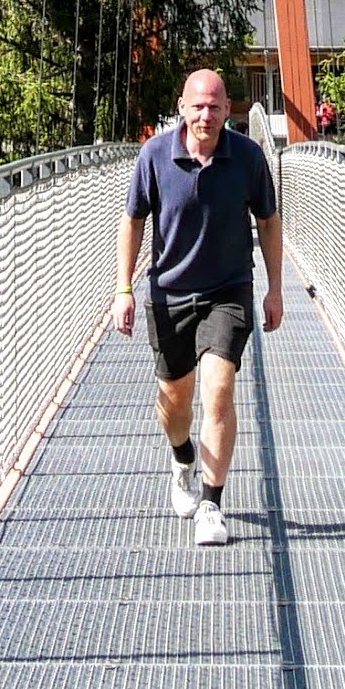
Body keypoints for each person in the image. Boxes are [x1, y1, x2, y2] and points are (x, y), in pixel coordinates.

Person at [116, 63, 284, 545]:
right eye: (198, 106)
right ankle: (182, 458)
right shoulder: (153, 156)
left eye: (214, 105)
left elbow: (269, 222)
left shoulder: (248, 158)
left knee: (219, 390)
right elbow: (132, 222)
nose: (206, 115)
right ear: (182, 109)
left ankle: (212, 502)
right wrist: (123, 288)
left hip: (228, 291)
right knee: (174, 403)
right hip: (168, 293)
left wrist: (274, 288)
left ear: (228, 108)